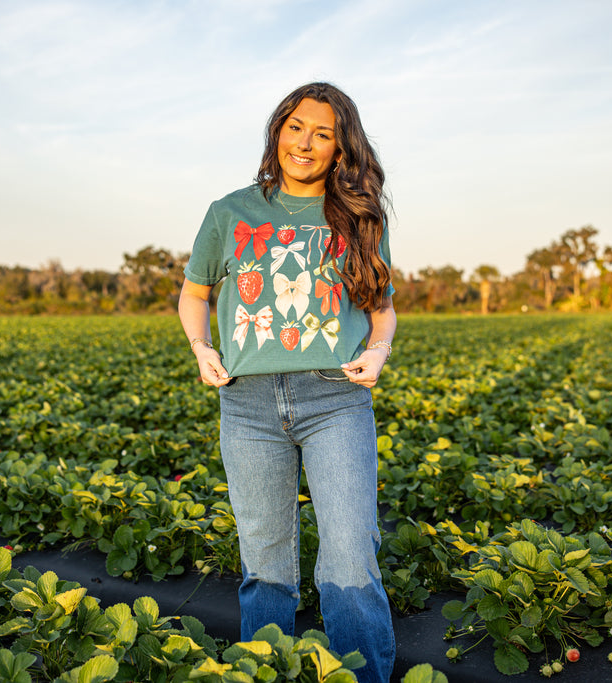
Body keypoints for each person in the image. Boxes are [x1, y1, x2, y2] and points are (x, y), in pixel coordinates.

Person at [178, 82, 396, 682]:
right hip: (246, 405)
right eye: (297, 127)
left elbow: (382, 309)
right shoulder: (230, 212)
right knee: (265, 563)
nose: (306, 142)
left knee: (351, 559)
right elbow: (194, 294)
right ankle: (265, 673)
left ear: (339, 147)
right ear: (278, 130)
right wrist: (202, 347)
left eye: (323, 134)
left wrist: (377, 353)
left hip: (335, 399)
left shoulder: (355, 215)